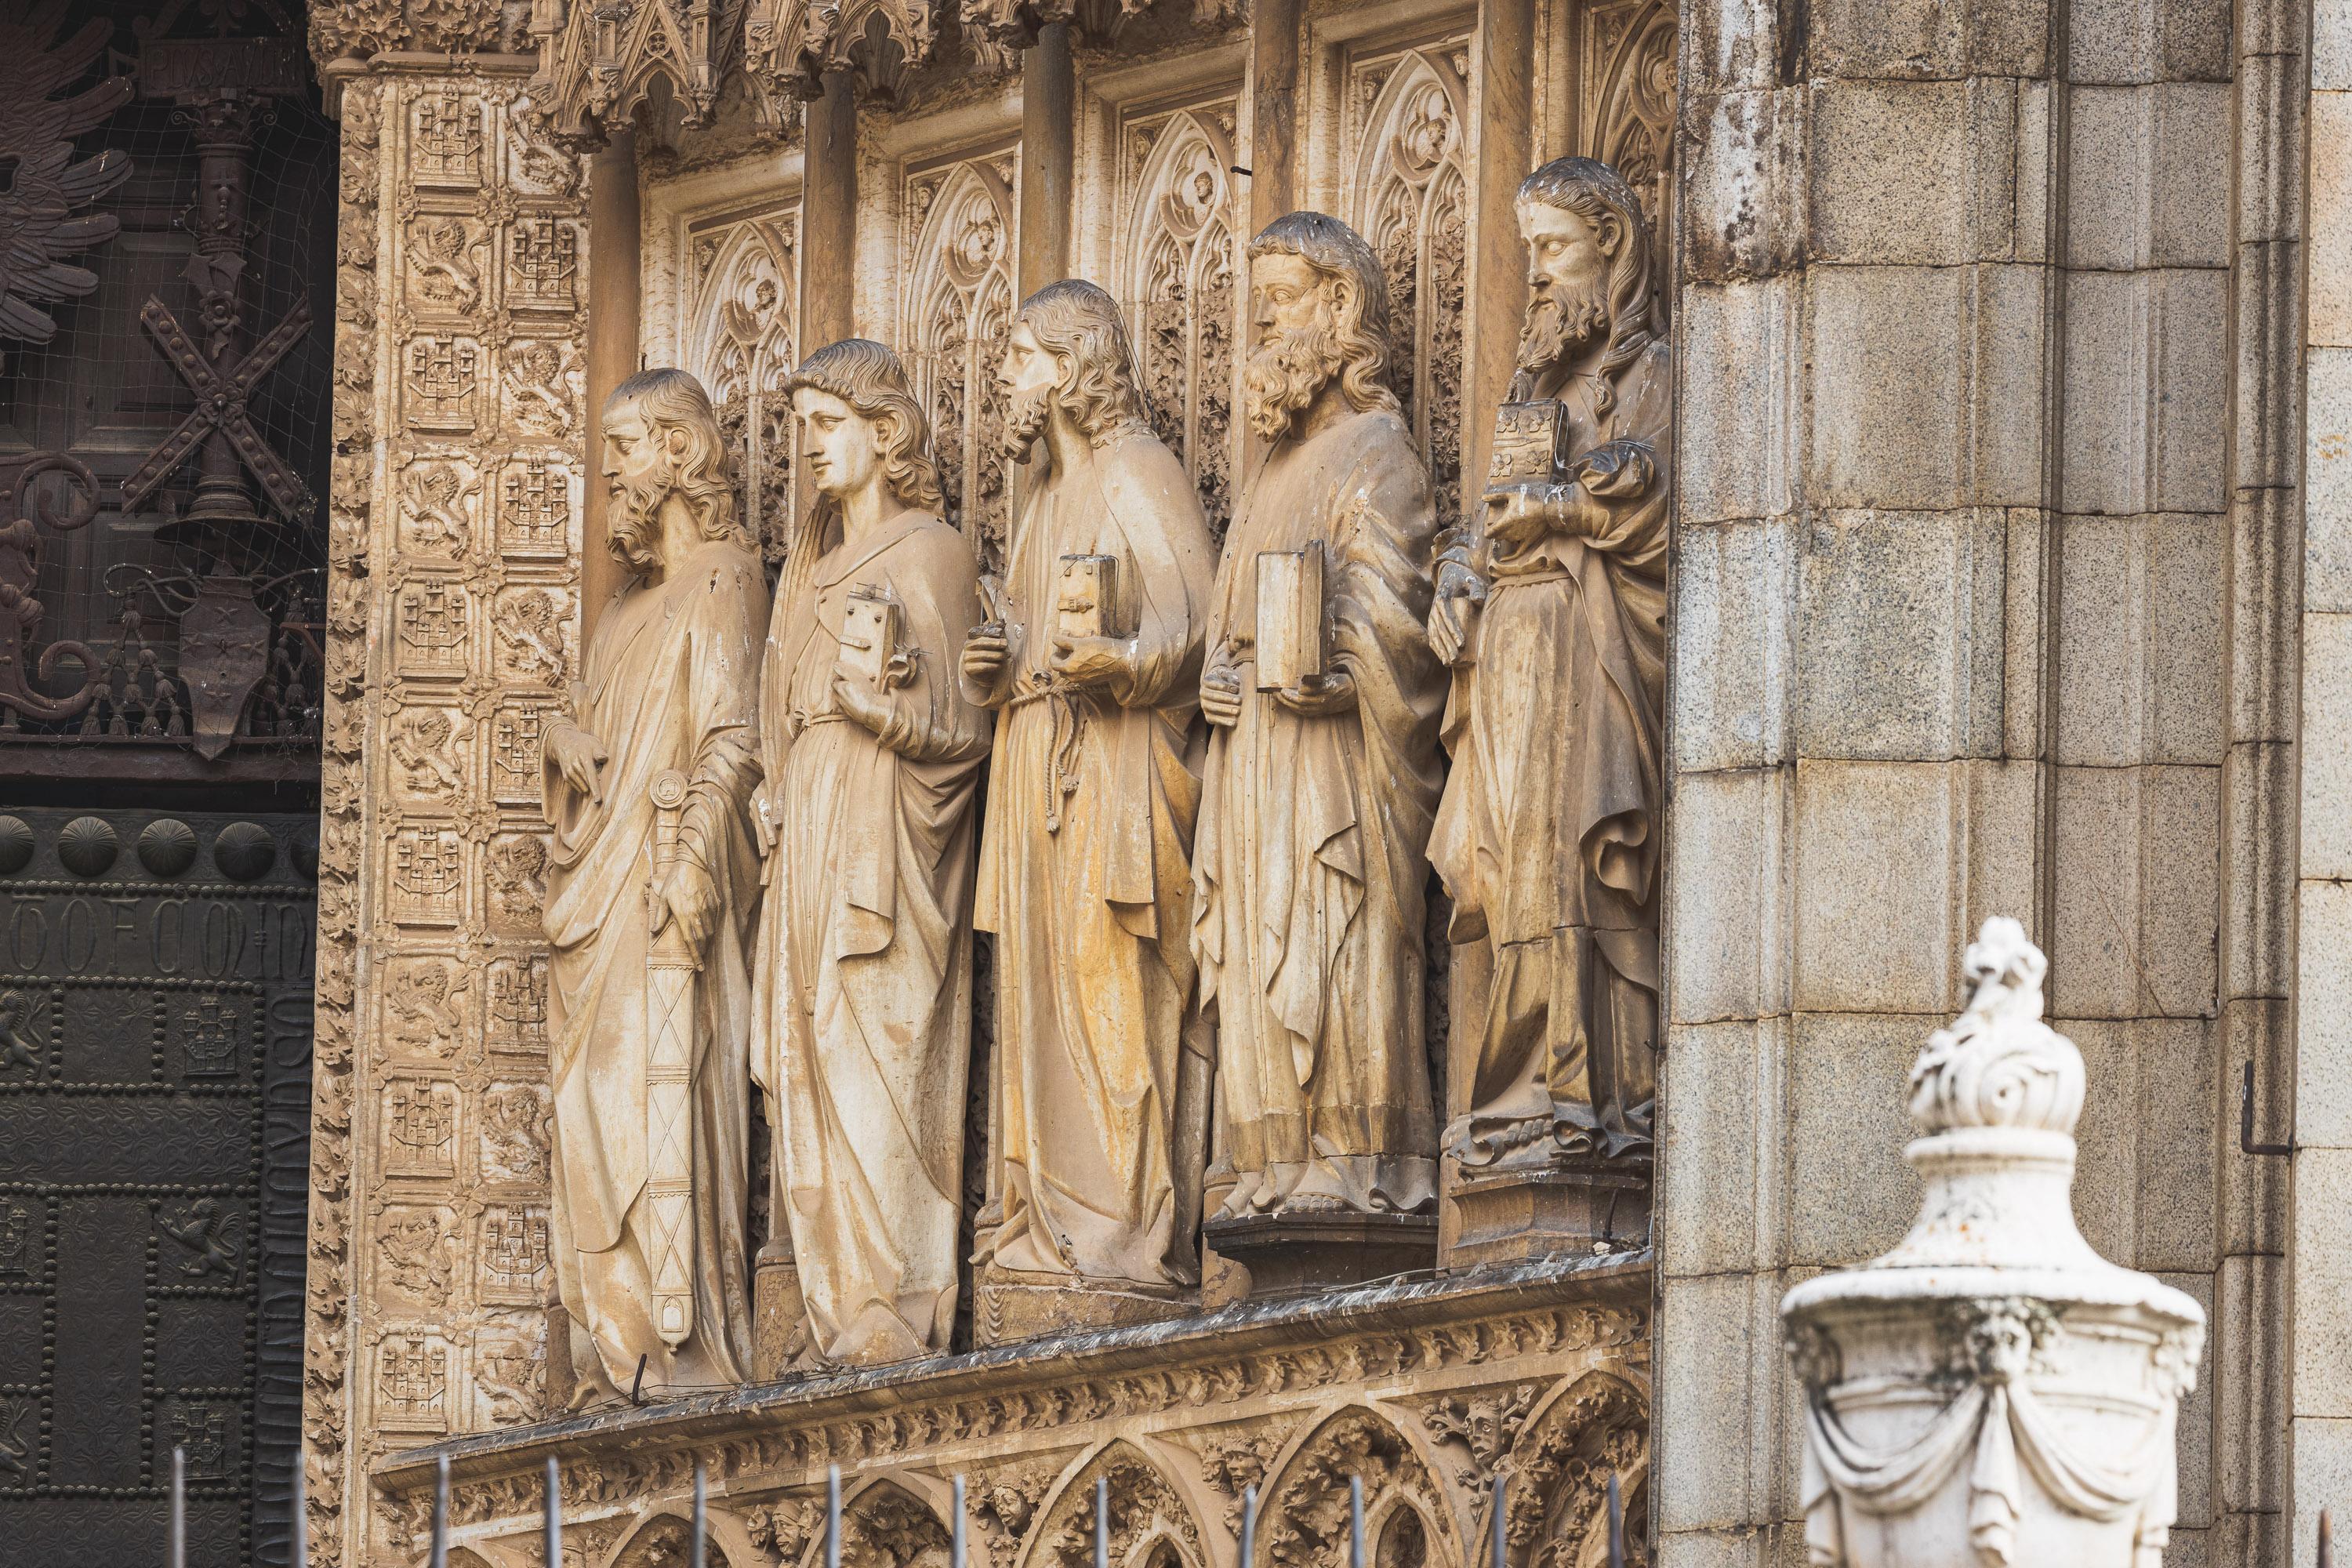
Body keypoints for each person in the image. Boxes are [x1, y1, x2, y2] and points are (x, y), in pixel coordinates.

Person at [751, 339, 993, 1366]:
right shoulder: (807, 570)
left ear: (883, 432)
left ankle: (891, 1299)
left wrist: (885, 721)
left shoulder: (932, 552)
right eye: (798, 426)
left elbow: (970, 734)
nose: (806, 447)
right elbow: (774, 713)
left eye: (825, 423)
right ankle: (828, 1303)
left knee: (873, 1054)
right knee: (801, 1056)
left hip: (888, 843)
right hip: (807, 832)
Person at [541, 368, 763, 1400]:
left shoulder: (722, 583)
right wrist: (569, 743)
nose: (610, 474)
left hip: (666, 894)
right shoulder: (623, 618)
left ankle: (674, 1348)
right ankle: (611, 1346)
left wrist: (692, 860)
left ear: (679, 452)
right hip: (598, 900)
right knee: (591, 1099)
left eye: (623, 448)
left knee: (656, 1098)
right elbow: (598, 729)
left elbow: (732, 741)